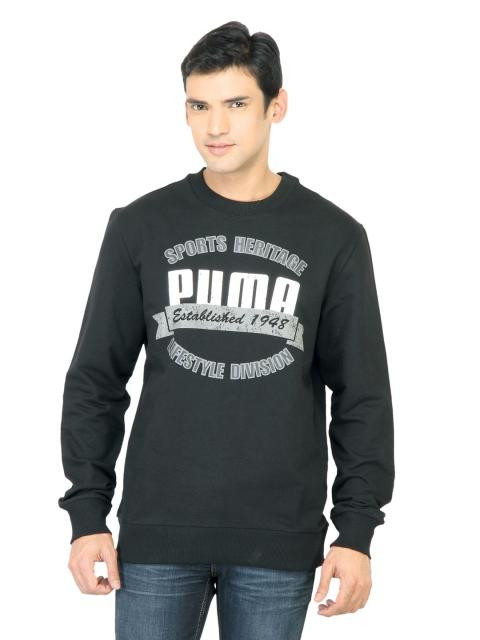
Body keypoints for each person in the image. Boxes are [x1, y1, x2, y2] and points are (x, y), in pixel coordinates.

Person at [58, 20, 395, 640]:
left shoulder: (334, 237)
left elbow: (363, 396)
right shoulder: (140, 226)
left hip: (278, 541)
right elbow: (95, 379)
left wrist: (355, 532)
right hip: (157, 537)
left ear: (276, 106)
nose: (215, 126)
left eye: (236, 104)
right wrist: (87, 513)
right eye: (199, 106)